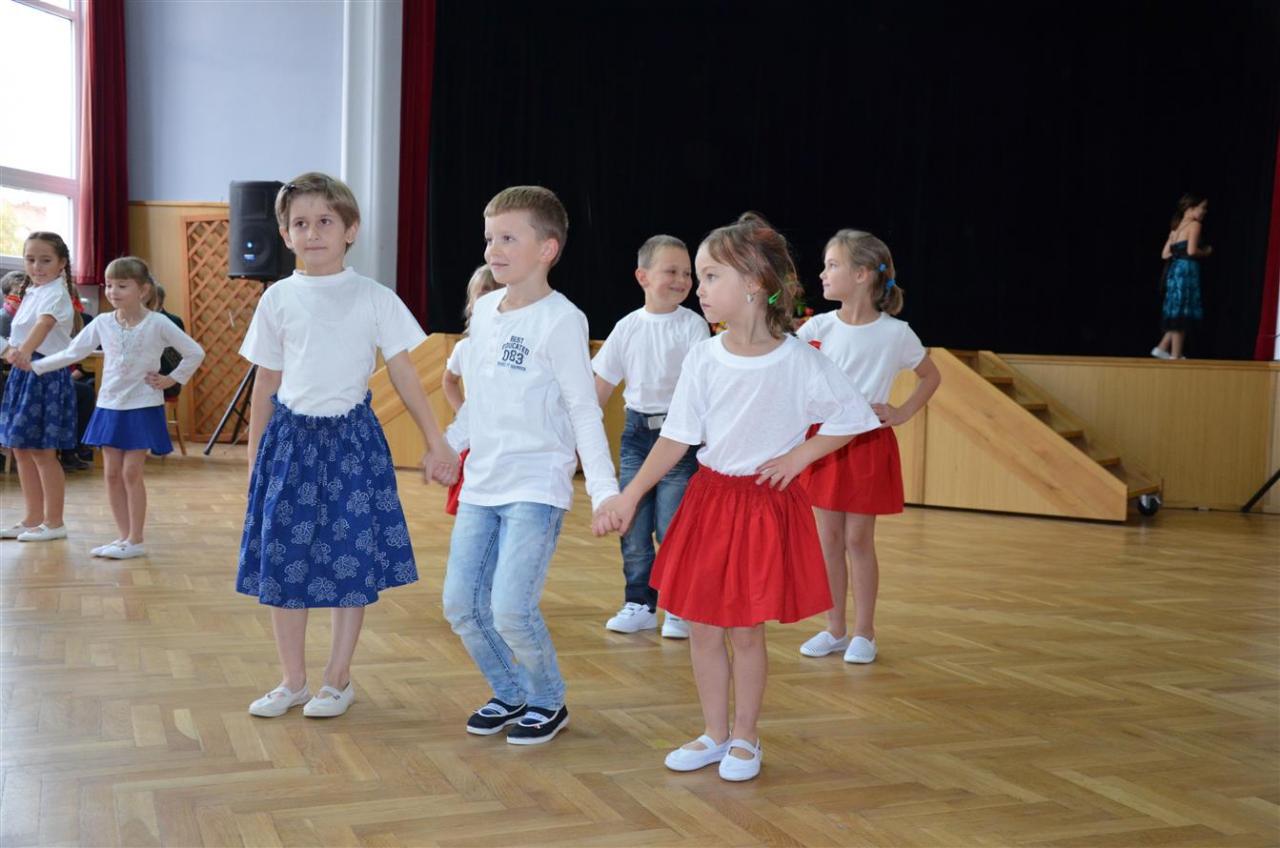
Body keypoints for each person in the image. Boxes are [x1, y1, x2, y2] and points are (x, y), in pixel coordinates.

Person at [593, 213, 880, 781]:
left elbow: (854, 417)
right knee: (702, 625)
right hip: (709, 502)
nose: (698, 289)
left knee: (746, 630)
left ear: (752, 281)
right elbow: (677, 436)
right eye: (698, 277)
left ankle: (747, 736)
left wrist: (800, 457)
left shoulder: (798, 359)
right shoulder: (704, 356)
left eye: (709, 276)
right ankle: (714, 733)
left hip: (760, 508)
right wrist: (630, 495)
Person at [236, 172, 458, 719]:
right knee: (284, 562)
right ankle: (292, 680)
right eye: (300, 223)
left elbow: (404, 373)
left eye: (325, 222)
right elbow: (267, 380)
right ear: (285, 234)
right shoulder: (278, 299)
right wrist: (255, 457)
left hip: (351, 445)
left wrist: (436, 441)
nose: (313, 233)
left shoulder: (375, 297)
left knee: (348, 560)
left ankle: (337, 679)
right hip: (290, 444)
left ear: (350, 229)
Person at [442, 185, 619, 745]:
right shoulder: (485, 312)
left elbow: (583, 410)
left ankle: (546, 700)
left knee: (511, 609)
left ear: (547, 249)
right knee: (461, 606)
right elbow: (480, 399)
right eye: (489, 237)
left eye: (507, 238)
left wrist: (605, 491)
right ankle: (510, 691)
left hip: (535, 486)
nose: (492, 249)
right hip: (482, 483)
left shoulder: (562, 320)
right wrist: (448, 445)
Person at [795, 230, 941, 664]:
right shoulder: (817, 327)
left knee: (858, 539)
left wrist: (902, 411)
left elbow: (930, 375)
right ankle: (835, 629)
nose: (823, 274)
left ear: (861, 274)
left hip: (866, 443)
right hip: (825, 441)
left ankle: (865, 632)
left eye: (832, 265)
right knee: (827, 539)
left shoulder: (896, 334)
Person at [23, 256, 205, 559]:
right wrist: (36, 366)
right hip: (109, 406)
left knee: (131, 473)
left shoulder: (158, 323)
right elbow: (73, 352)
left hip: (142, 405)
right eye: (109, 285)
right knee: (111, 474)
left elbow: (194, 352)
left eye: (122, 285)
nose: (113, 291)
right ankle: (122, 538)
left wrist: (171, 379)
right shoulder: (103, 322)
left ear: (143, 290)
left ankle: (136, 539)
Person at [593, 235, 708, 638]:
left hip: (679, 439)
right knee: (634, 525)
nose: (681, 280)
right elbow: (600, 388)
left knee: (671, 524)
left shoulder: (693, 326)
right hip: (636, 437)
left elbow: (701, 389)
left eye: (687, 273)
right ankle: (639, 602)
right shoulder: (627, 327)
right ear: (643, 277)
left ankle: (677, 605)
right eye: (671, 271)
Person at [0, 232, 82, 542]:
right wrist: (12, 351)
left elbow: (44, 324)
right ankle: (32, 518)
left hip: (45, 374)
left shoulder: (57, 293)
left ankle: (54, 523)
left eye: (45, 260)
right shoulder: (32, 292)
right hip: (23, 374)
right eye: (31, 259)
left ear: (62, 263)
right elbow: (18, 336)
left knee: (43, 452)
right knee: (21, 449)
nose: (37, 266)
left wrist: (23, 352)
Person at [441, 264, 501, 516]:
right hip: (475, 444)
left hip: (506, 444)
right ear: (471, 304)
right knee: (470, 511)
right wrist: (464, 411)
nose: (489, 297)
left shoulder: (515, 346)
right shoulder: (464, 348)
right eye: (483, 291)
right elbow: (449, 381)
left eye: (497, 290)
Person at [1151, 194, 1212, 360]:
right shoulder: (1195, 225)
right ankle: (1175, 355)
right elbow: (1191, 251)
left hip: (1174, 271)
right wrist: (1205, 252)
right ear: (1191, 208)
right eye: (1202, 207)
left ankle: (1162, 347)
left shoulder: (1176, 228)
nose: (1204, 211)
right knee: (1182, 312)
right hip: (1186, 271)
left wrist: (1177, 250)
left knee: (1176, 309)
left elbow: (1165, 254)